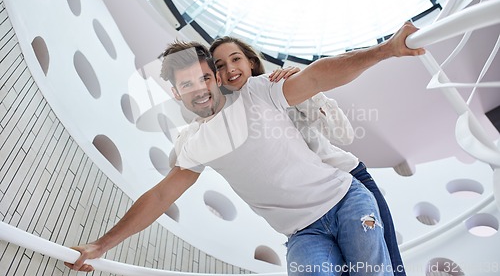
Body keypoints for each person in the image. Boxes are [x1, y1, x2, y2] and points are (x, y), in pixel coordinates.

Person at [65, 22, 424, 275]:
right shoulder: (193, 143)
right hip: (303, 233)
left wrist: (387, 50)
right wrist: (101, 245)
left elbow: (317, 76)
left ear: (217, 78)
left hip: (346, 199)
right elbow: (160, 197)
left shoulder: (258, 90)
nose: (200, 88)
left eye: (205, 77)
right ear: (176, 94)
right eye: (187, 84)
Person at [208, 36, 406, 276]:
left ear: (251, 62)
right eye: (219, 65)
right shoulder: (231, 120)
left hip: (347, 183)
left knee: (385, 267)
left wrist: (308, 89)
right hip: (309, 215)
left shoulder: (280, 89)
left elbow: (343, 134)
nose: (229, 68)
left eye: (235, 58)